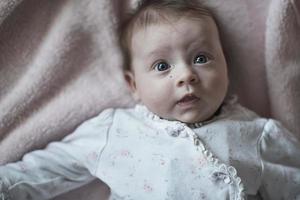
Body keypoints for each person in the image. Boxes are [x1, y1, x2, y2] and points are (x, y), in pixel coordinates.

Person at [1, 0, 300, 199]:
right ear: (134, 85)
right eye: (162, 66)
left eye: (201, 58)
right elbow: (45, 171)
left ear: (226, 66)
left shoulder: (258, 134)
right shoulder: (116, 130)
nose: (186, 75)